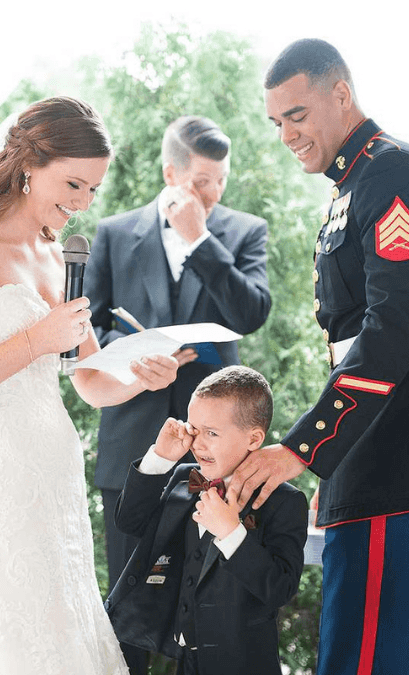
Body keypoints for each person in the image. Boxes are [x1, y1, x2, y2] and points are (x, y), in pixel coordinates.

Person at [0, 96, 181, 674]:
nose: (81, 205)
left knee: (66, 629)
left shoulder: (59, 255)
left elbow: (89, 382)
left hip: (56, 472)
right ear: (29, 163)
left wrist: (141, 377)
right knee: (13, 635)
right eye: (73, 185)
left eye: (93, 191)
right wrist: (34, 340)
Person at [227, 38, 409, 675]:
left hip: (401, 442)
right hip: (389, 439)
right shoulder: (356, 182)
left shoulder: (392, 175)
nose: (287, 134)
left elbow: (392, 330)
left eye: (298, 114)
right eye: (276, 120)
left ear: (340, 94)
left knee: (361, 655)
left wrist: (304, 448)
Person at [81, 115, 271, 675]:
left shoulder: (242, 232)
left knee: (219, 601)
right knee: (127, 600)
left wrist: (200, 241)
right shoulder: (115, 233)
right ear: (173, 174)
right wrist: (135, 351)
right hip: (133, 445)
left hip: (220, 452)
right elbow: (90, 327)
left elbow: (250, 315)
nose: (215, 193)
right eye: (204, 181)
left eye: (221, 180)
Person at [104, 366, 306, 675]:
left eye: (212, 433)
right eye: (195, 430)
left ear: (254, 438)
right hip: (185, 662)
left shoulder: (284, 501)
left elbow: (280, 588)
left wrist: (231, 532)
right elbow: (130, 522)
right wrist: (160, 457)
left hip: (244, 665)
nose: (198, 444)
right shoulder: (185, 478)